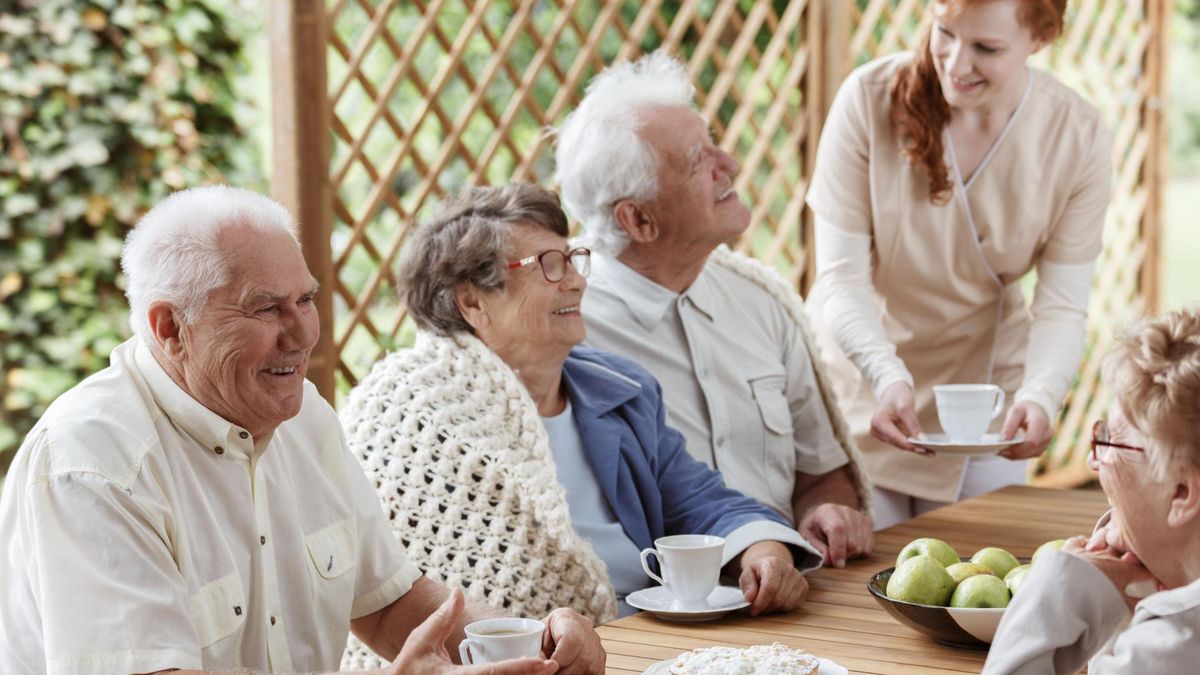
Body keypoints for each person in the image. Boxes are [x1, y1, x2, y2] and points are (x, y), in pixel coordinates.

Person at [0, 185, 602, 675]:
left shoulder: (303, 417)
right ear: (170, 329)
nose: (302, 334)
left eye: (306, 300)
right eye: (265, 309)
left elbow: (391, 603)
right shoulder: (93, 464)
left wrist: (536, 645)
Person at [340, 183, 818, 648]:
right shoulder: (412, 411)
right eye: (548, 265)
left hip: (653, 640)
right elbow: (386, 586)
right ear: (472, 301)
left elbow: (698, 500)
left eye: (573, 259)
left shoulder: (619, 389)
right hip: (526, 657)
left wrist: (759, 548)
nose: (575, 279)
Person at [552, 50, 874, 565]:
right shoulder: (562, 326)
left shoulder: (761, 300)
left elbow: (822, 473)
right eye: (698, 160)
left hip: (791, 591)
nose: (731, 165)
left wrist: (827, 511)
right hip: (656, 617)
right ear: (638, 220)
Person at [804, 0, 1111, 528]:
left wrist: (1041, 396)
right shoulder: (867, 100)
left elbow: (1062, 306)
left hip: (985, 408)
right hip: (864, 387)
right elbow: (839, 279)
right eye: (944, 33)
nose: (954, 63)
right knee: (859, 583)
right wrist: (885, 375)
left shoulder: (1076, 135)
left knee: (973, 578)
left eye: (986, 48)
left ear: (1040, 38)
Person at [983, 308, 1200, 673]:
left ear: (1181, 493)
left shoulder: (1167, 648)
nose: (1092, 460)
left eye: (1110, 441)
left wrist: (1056, 595)